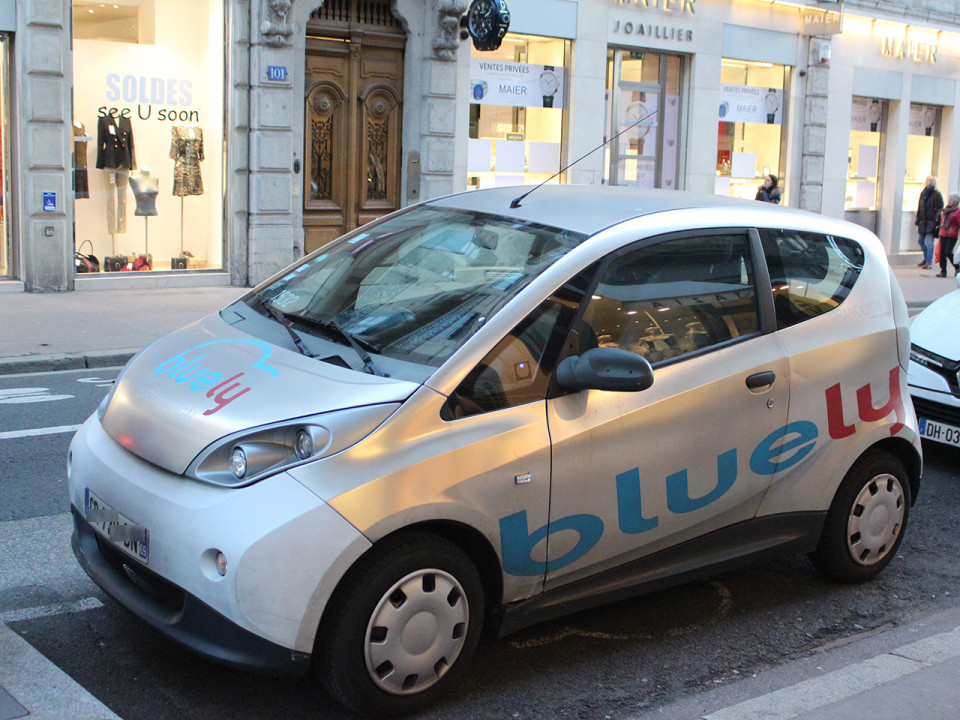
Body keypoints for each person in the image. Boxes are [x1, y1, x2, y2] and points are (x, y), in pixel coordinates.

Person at [915, 175, 943, 269]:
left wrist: (936, 219)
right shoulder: (923, 193)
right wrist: (918, 219)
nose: (929, 182)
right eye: (927, 180)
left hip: (931, 222)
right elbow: (920, 207)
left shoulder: (936, 194)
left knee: (929, 242)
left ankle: (929, 262)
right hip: (923, 221)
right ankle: (926, 258)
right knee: (920, 240)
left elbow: (940, 207)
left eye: (931, 181)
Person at [937, 192, 960, 277]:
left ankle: (957, 266)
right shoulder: (946, 210)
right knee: (942, 253)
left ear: (956, 202)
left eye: (951, 200)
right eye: (949, 199)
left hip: (952, 234)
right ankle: (943, 270)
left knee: (948, 252)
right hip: (943, 233)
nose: (949, 201)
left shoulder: (958, 212)